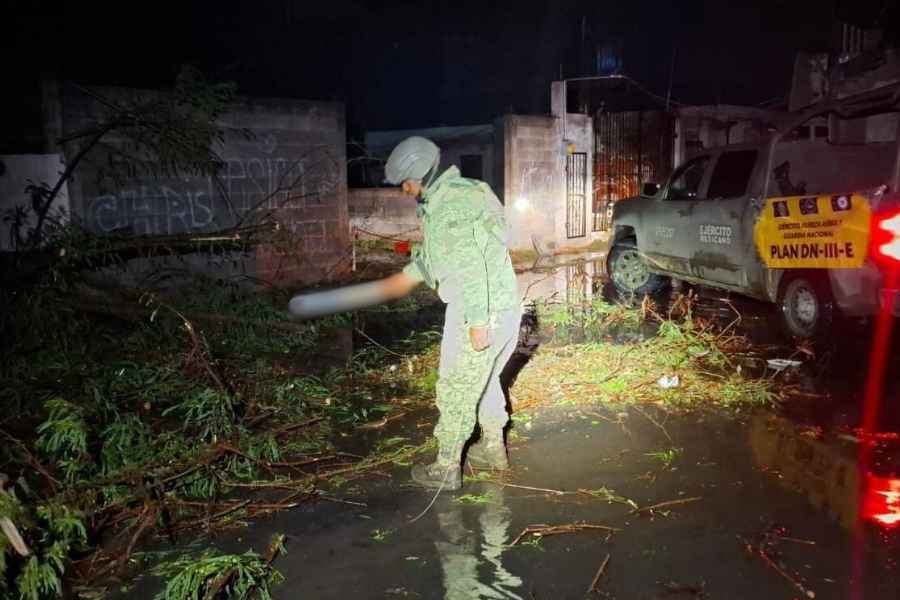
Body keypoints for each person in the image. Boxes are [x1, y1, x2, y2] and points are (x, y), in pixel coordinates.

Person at [379, 136, 521, 491]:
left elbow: (471, 266)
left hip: (479, 310)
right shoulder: (467, 192)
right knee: (486, 379)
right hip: (504, 306)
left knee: (457, 386)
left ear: (419, 175)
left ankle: (445, 468)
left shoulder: (448, 208)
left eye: (405, 183)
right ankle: (493, 450)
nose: (404, 190)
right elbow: (443, 257)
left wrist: (477, 322)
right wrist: (404, 277)